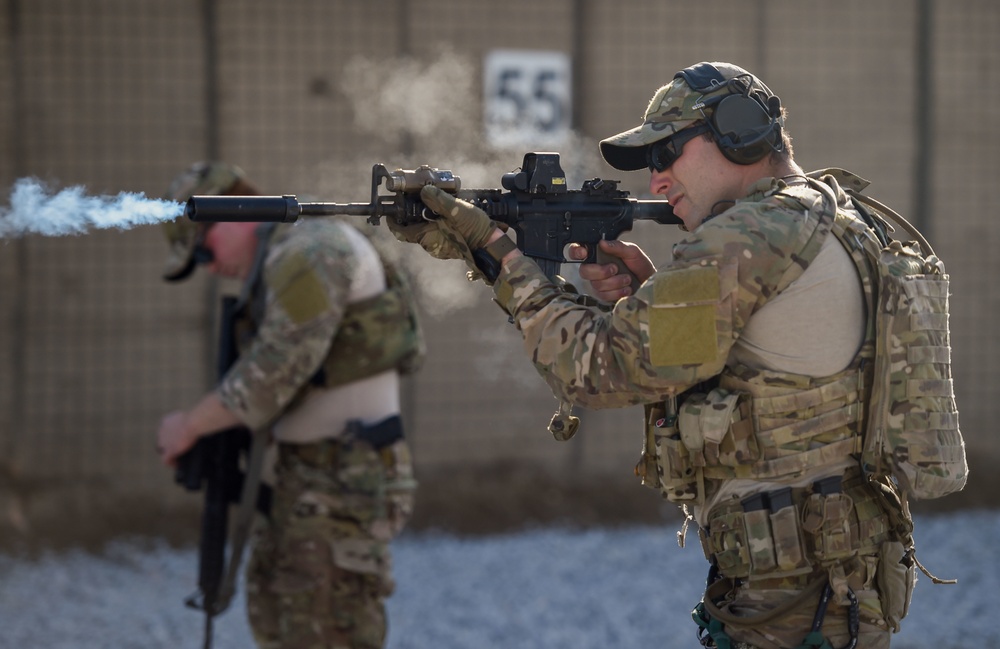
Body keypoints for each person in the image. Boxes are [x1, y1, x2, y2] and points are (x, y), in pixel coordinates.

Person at [388, 62, 966, 649]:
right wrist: (650, 300)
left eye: (667, 155)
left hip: (794, 595)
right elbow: (777, 366)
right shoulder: (833, 215)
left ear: (737, 133)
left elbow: (597, 370)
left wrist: (497, 256)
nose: (658, 180)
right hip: (830, 578)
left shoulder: (751, 234)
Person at [157, 161, 424, 648]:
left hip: (343, 482)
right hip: (303, 481)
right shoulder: (282, 262)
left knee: (325, 628)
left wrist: (190, 426)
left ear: (233, 212)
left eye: (202, 251)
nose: (210, 267)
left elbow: (273, 374)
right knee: (283, 624)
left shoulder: (312, 250)